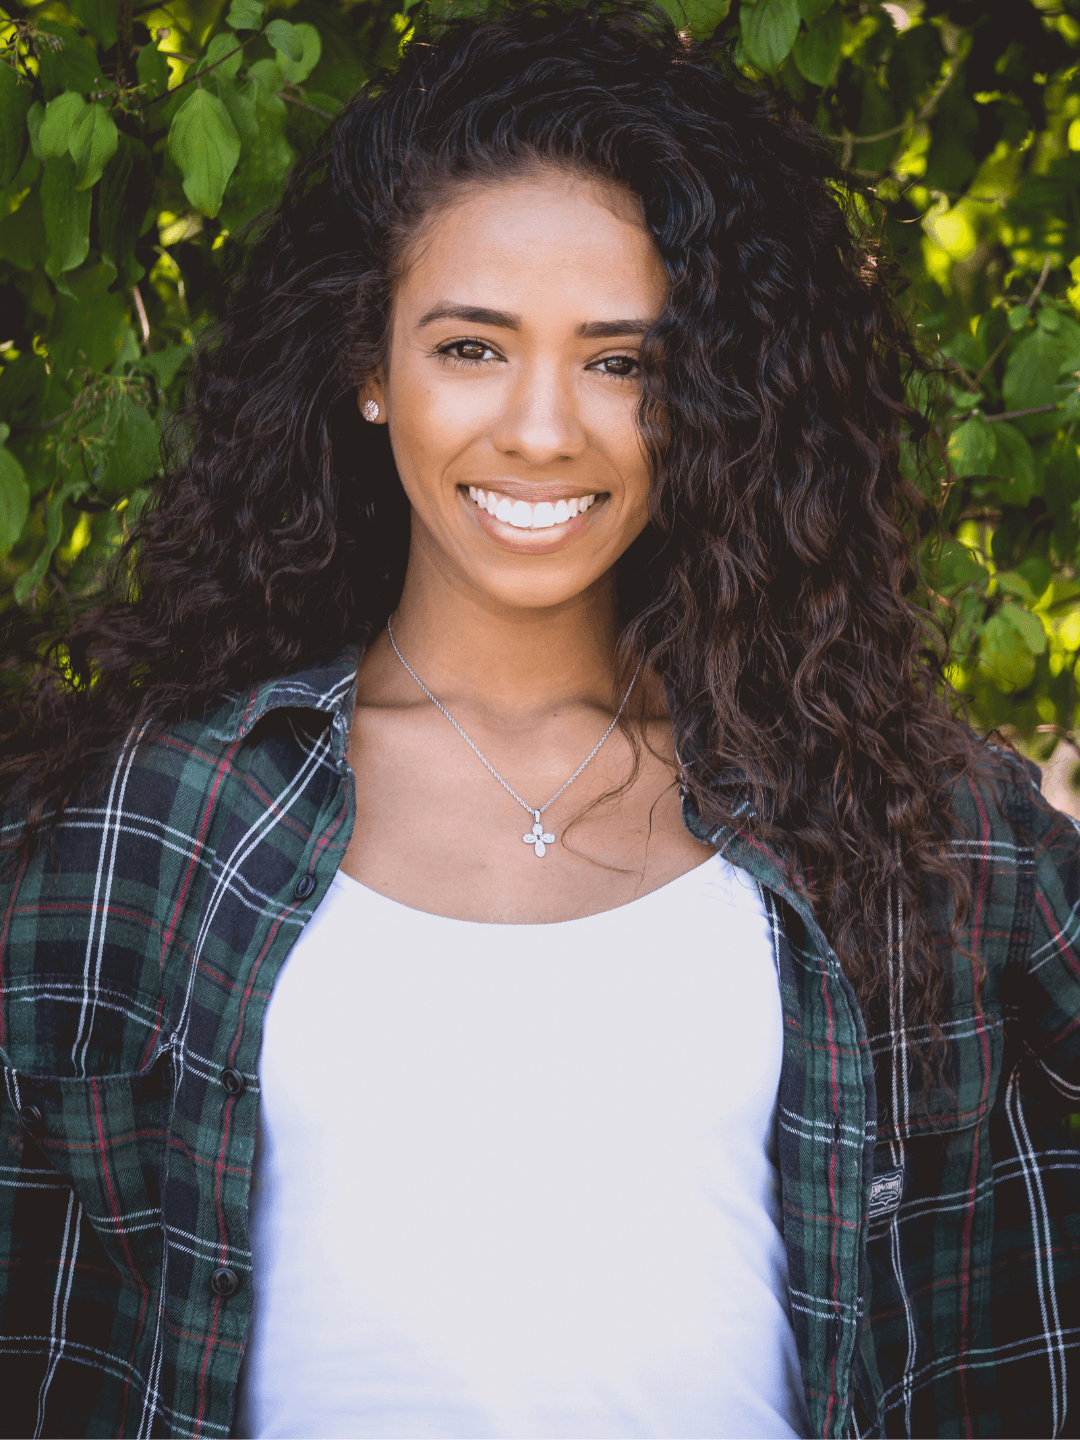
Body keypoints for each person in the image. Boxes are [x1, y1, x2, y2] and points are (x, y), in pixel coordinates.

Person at [2, 3, 1079, 1436]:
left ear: (707, 396)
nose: (543, 428)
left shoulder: (918, 830)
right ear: (369, 370)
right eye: (471, 348)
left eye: (621, 361)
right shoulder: (136, 829)